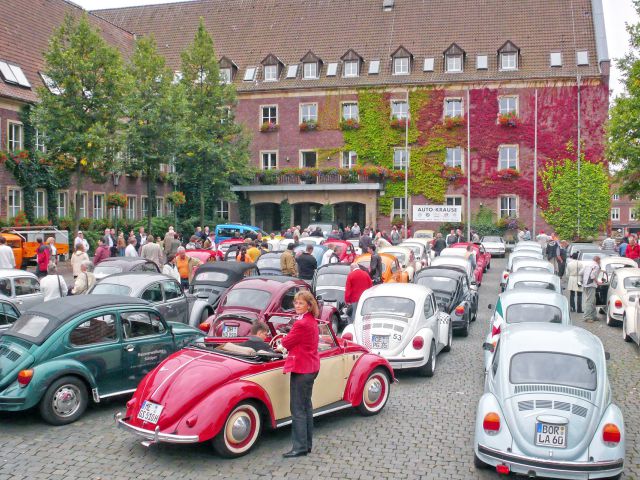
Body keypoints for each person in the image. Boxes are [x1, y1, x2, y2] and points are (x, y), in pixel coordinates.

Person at [280, 291, 320, 458]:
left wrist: (282, 342)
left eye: (300, 303)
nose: (297, 306)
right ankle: (307, 444)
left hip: (302, 368)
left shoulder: (301, 324)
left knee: (297, 409)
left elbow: (286, 342)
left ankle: (299, 447)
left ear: (309, 306)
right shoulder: (311, 321)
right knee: (306, 407)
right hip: (311, 366)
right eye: (295, 303)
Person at [582, 255, 601, 323]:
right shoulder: (596, 266)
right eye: (600, 261)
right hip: (591, 284)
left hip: (585, 284)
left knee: (593, 300)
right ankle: (587, 317)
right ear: (598, 260)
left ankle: (593, 316)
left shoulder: (588, 264)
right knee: (590, 301)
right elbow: (592, 276)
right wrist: (597, 282)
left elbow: (581, 272)